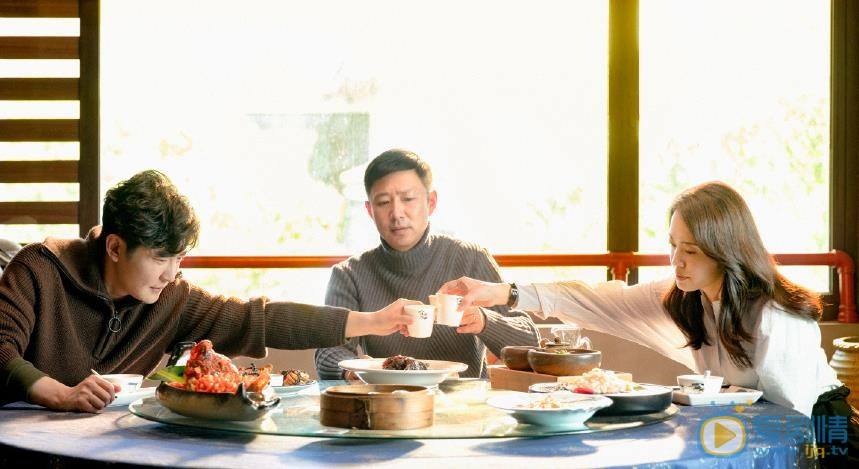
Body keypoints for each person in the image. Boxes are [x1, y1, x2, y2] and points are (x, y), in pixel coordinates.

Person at [439, 181, 856, 466]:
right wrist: (504, 292)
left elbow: (792, 422)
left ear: (725, 250)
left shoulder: (773, 314)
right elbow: (599, 299)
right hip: (749, 427)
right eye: (673, 246)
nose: (676, 262)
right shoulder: (686, 297)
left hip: (822, 428)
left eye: (690, 251)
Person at [0, 170, 414, 413]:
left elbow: (260, 319)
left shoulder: (171, 297)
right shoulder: (39, 268)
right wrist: (60, 394)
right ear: (114, 247)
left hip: (99, 444)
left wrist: (374, 320)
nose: (171, 274)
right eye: (160, 258)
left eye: (179, 259)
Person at [314, 149, 539, 379]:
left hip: (466, 399)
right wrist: (354, 371)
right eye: (383, 202)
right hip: (388, 397)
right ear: (370, 210)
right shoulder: (349, 274)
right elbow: (327, 352)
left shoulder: (471, 258)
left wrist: (484, 321)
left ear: (431, 202)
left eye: (408, 199)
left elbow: (531, 342)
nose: (396, 213)